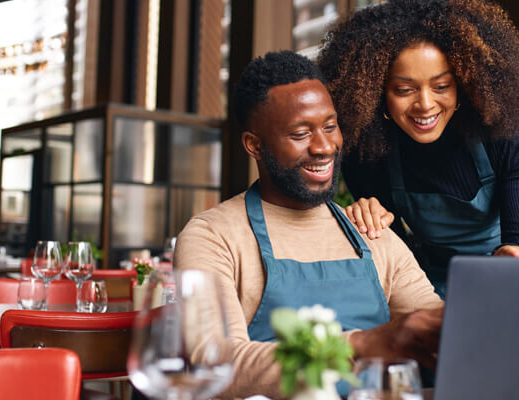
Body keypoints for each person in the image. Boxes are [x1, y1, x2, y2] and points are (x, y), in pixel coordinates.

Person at [174, 50, 444, 399]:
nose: (324, 147)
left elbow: (435, 328)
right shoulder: (212, 236)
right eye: (301, 134)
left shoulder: (371, 230)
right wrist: (361, 344)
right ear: (254, 145)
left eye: (330, 126)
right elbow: (215, 362)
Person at [317, 0, 519, 297]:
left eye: (441, 86)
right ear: (377, 92)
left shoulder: (509, 131)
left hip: (517, 273)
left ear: (463, 84)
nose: (425, 105)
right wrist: (369, 224)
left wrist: (517, 261)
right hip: (435, 279)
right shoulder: (366, 150)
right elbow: (397, 256)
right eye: (404, 90)